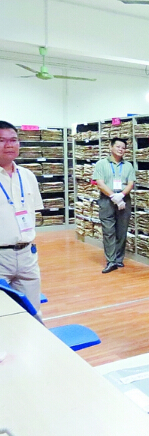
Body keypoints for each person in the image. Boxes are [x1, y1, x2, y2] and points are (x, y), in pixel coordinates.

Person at [0, 121, 44, 319]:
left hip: (27, 254)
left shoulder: (27, 176)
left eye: (13, 140)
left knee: (32, 312)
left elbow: (33, 211)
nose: (9, 145)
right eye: (1, 140)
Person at [93, 137, 135, 273]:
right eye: (118, 146)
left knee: (122, 230)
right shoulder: (101, 164)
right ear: (110, 147)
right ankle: (111, 261)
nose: (121, 149)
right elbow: (100, 183)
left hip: (124, 199)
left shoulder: (128, 165)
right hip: (107, 200)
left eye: (123, 148)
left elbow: (131, 183)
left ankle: (118, 259)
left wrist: (121, 195)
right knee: (108, 231)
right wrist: (113, 196)